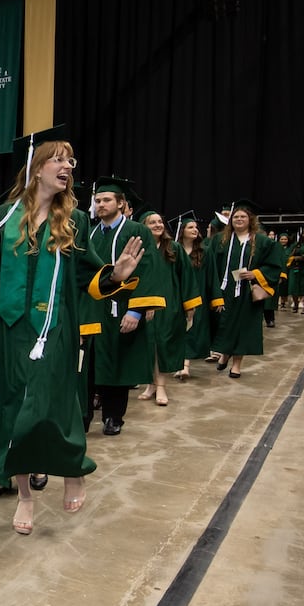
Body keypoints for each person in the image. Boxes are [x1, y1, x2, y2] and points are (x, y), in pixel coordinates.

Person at [0, 130, 144, 535]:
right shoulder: (0, 217)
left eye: (71, 162)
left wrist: (115, 274)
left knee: (52, 405)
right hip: (7, 332)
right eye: (59, 160)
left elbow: (89, 277)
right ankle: (25, 497)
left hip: (54, 329)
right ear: (36, 167)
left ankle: (72, 469)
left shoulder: (75, 221)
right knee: (10, 411)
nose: (67, 168)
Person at [85, 176, 166, 436]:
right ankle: (84, 415)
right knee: (90, 364)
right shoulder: (90, 232)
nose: (100, 204)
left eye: (106, 200)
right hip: (94, 309)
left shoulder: (136, 231)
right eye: (97, 200)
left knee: (118, 363)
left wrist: (136, 311)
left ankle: (113, 416)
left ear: (121, 203)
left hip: (121, 309)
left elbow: (148, 270)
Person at [205, 200, 286, 378]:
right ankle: (225, 354)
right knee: (223, 324)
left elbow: (275, 265)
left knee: (243, 326)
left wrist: (256, 273)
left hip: (246, 293)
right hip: (223, 290)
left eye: (243, 216)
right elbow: (209, 262)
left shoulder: (263, 241)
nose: (239, 219)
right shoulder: (220, 239)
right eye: (236, 217)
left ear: (251, 220)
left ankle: (236, 365)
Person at [135, 208, 201, 406]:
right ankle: (151, 384)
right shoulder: (138, 248)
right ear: (143, 227)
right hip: (143, 305)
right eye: (152, 222)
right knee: (147, 346)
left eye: (159, 222)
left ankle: (161, 386)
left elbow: (187, 277)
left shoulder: (173, 248)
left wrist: (190, 305)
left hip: (169, 304)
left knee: (163, 344)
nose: (157, 225)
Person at [174, 216, 209, 378]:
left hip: (197, 296)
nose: (195, 230)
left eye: (196, 227)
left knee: (191, 330)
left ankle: (185, 365)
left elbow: (212, 276)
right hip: (176, 296)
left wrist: (216, 299)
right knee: (177, 330)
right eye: (190, 227)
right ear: (182, 231)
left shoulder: (204, 252)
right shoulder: (173, 250)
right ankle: (177, 363)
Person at [286, 224, 304, 314]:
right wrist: (295, 258)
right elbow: (288, 256)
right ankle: (295, 304)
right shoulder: (296, 245)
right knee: (294, 287)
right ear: (301, 234)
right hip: (296, 268)